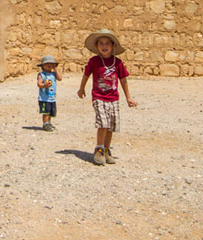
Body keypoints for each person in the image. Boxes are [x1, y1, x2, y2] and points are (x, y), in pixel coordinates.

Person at [77, 28, 138, 166]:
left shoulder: (118, 63)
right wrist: (81, 88)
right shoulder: (94, 61)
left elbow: (123, 80)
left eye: (107, 43)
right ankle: (99, 149)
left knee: (110, 126)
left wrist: (128, 97)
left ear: (112, 46)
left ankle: (106, 149)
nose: (104, 46)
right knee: (103, 123)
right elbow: (86, 75)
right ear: (97, 46)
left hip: (113, 98)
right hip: (99, 97)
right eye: (101, 43)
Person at [36, 55, 62, 131]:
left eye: (51, 64)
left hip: (52, 97)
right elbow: (39, 84)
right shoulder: (42, 75)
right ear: (42, 66)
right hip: (44, 98)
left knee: (51, 112)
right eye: (46, 64)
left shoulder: (53, 74)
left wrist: (56, 68)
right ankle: (45, 124)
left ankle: (49, 123)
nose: (49, 65)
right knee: (46, 112)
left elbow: (60, 78)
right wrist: (44, 85)